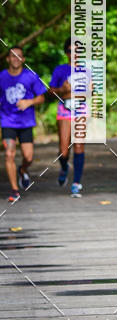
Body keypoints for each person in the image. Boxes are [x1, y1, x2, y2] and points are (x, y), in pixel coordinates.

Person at [0, 46, 46, 203]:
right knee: (9, 154)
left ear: (23, 59)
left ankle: (23, 169)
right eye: (13, 56)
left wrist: (29, 101)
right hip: (7, 122)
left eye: (19, 56)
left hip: (26, 122)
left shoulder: (30, 76)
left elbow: (42, 97)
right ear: (8, 59)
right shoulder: (2, 77)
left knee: (28, 157)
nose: (15, 59)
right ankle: (15, 190)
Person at [48, 38, 86, 198]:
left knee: (79, 146)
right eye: (70, 51)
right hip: (64, 109)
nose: (73, 54)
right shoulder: (60, 70)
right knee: (64, 151)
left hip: (81, 110)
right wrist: (62, 89)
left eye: (76, 50)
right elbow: (51, 91)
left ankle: (76, 183)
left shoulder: (86, 70)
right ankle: (64, 167)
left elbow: (92, 92)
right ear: (66, 53)